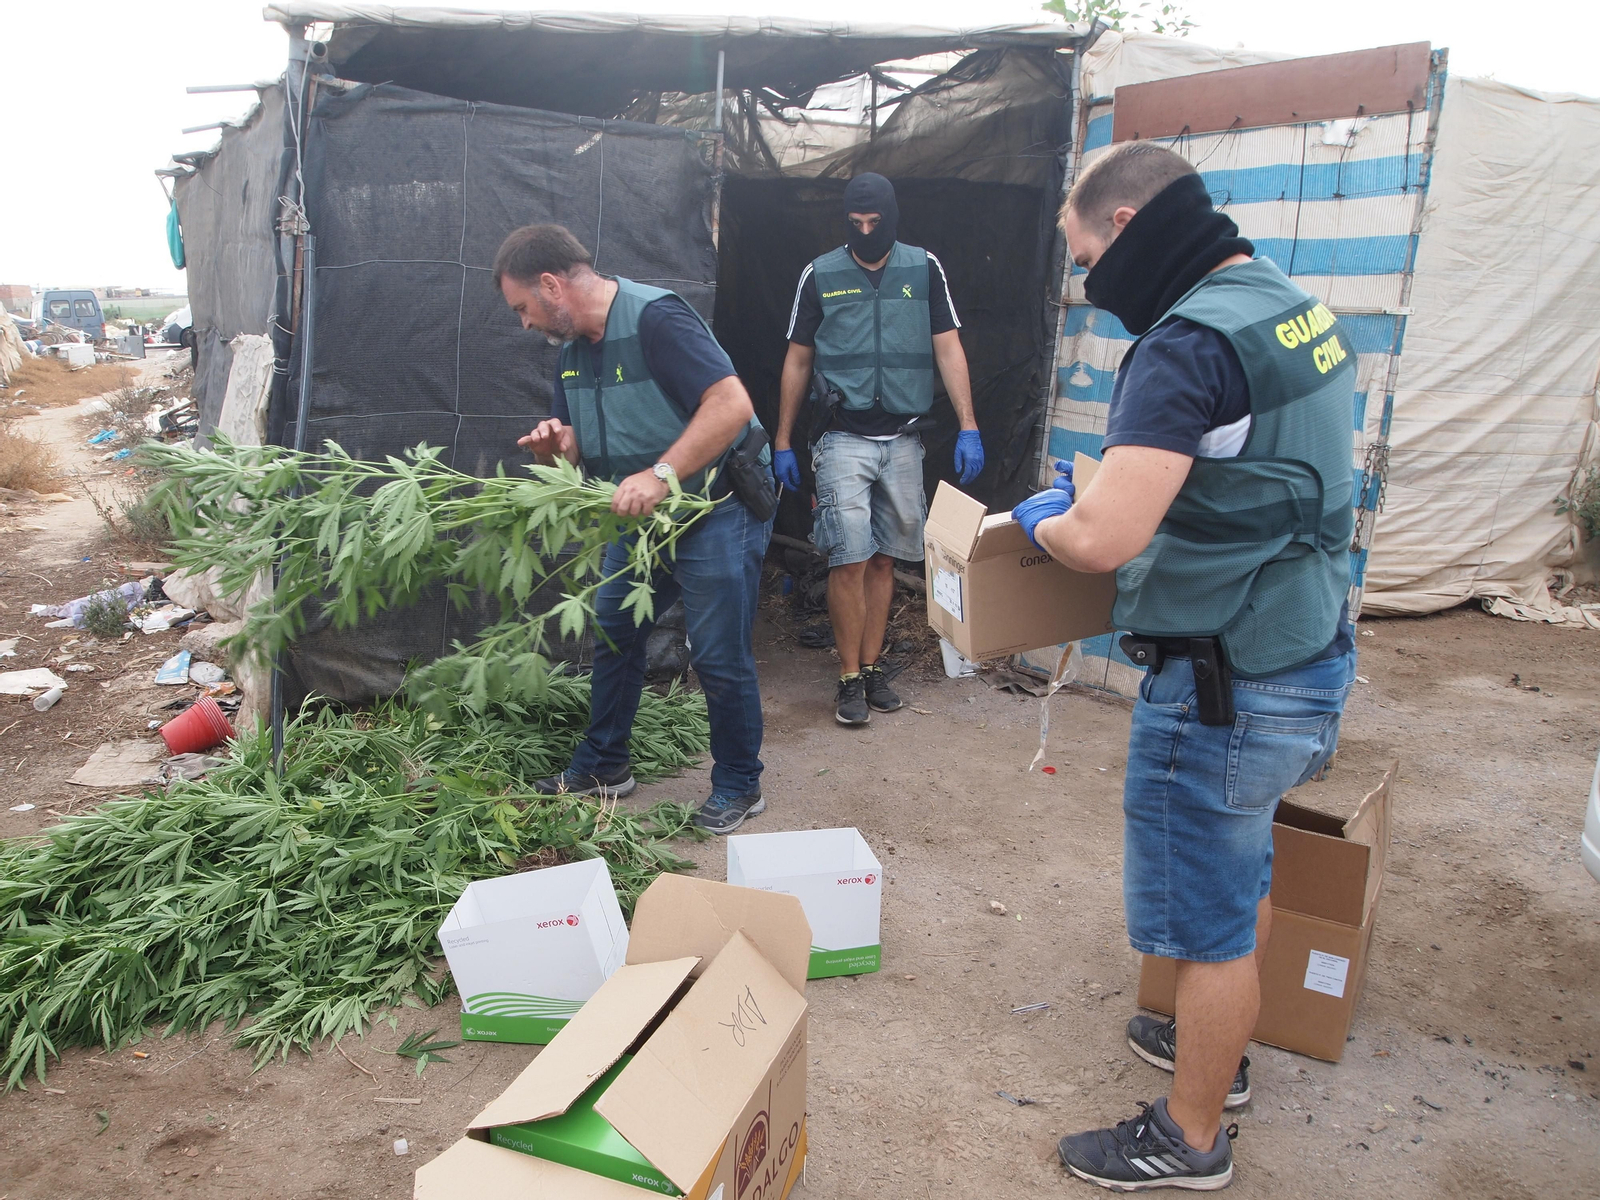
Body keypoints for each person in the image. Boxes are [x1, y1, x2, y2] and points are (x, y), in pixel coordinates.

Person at [1012, 144, 1358, 1190]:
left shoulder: (1182, 346)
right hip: (1304, 649)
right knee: (1240, 870)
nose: (1087, 283)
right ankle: (1218, 1048)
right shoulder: (1286, 303)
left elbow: (1106, 540)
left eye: (1082, 256)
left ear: (1123, 226)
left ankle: (1190, 1134)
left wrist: (1051, 523)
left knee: (1204, 928)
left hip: (1225, 681)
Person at [497, 224, 775, 836]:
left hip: (714, 505)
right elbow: (574, 459)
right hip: (644, 520)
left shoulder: (656, 319)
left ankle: (738, 782)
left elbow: (731, 405)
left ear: (551, 284)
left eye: (522, 307)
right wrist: (554, 451)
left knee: (719, 653)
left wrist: (662, 471)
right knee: (615, 632)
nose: (524, 324)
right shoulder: (571, 353)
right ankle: (604, 766)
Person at [771, 173, 983, 726]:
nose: (866, 232)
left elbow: (948, 347)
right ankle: (846, 676)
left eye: (875, 223)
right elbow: (797, 358)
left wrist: (968, 425)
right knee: (849, 557)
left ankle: (870, 666)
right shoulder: (820, 274)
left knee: (887, 557)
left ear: (892, 218)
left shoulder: (923, 267)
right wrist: (783, 438)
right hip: (842, 434)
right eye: (856, 223)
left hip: (905, 438)